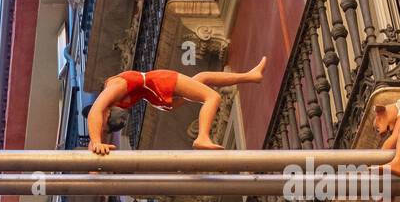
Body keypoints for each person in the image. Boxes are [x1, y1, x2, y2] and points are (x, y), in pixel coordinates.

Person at [87, 57, 267, 152]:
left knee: (203, 78)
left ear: (107, 113)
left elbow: (95, 111)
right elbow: (95, 121)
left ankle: (250, 76)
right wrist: (96, 144)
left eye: (105, 124)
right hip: (160, 84)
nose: (105, 126)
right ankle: (202, 137)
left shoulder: (114, 89)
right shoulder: (116, 93)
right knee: (212, 97)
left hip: (158, 90)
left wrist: (95, 146)